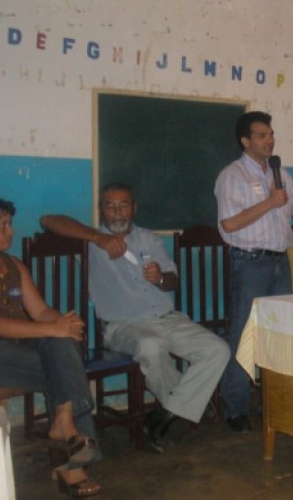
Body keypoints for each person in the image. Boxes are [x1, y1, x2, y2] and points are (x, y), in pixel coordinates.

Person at [40, 183, 230, 453]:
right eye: (110, 206)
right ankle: (186, 404)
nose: (117, 212)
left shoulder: (149, 239)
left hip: (167, 318)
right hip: (124, 326)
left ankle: (163, 415)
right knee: (152, 346)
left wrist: (161, 278)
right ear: (102, 210)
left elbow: (172, 281)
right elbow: (48, 220)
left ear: (134, 208)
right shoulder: (91, 242)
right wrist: (99, 238)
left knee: (218, 350)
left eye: (124, 205)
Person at [0, 195, 101, 497]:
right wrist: (52, 328)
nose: (11, 232)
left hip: (14, 347)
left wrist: (64, 323)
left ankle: (65, 421)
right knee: (64, 367)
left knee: (62, 346)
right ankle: (72, 461)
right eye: (3, 226)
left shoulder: (13, 265)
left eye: (9, 224)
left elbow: (40, 312)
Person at [214, 111, 293, 433]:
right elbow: (229, 224)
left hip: (280, 261)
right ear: (245, 141)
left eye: (271, 133)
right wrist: (270, 203)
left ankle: (278, 401)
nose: (269, 139)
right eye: (262, 135)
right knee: (242, 333)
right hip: (249, 263)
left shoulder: (279, 172)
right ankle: (236, 408)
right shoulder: (231, 176)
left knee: (280, 333)